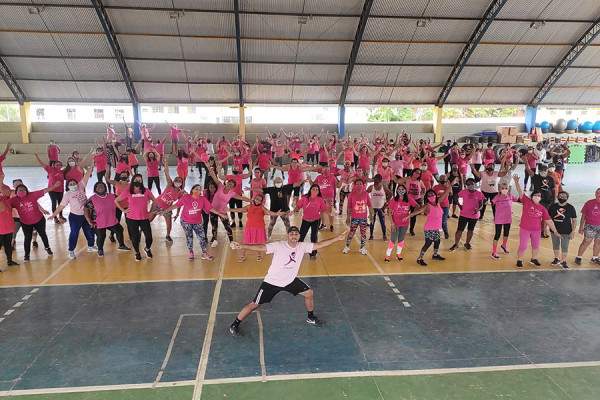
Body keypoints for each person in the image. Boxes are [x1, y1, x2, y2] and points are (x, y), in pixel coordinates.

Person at [229, 226, 348, 338]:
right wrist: (243, 246)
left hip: (290, 280)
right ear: (288, 236)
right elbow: (261, 247)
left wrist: (337, 238)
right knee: (255, 304)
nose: (294, 236)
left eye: (296, 234)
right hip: (272, 282)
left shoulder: (302, 246)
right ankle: (235, 324)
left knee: (309, 293)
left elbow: (320, 244)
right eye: (291, 234)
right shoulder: (279, 245)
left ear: (299, 236)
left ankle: (310, 317)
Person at [160, 184, 224, 261]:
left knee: (202, 238)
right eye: (196, 189)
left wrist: (220, 214)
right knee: (189, 237)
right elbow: (176, 205)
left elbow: (210, 208)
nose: (198, 191)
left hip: (197, 222)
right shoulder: (186, 198)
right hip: (186, 221)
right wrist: (165, 211)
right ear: (192, 190)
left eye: (199, 190)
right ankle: (191, 252)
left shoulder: (202, 199)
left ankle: (204, 253)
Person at [48, 165, 96, 259]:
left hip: (86, 215)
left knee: (90, 231)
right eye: (70, 184)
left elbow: (86, 176)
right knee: (74, 233)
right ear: (68, 186)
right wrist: (54, 215)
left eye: (74, 183)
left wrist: (91, 167)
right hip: (75, 217)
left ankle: (91, 246)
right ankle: (71, 250)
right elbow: (61, 206)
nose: (73, 185)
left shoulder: (81, 187)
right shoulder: (68, 195)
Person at [515, 174, 560, 268]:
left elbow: (549, 221)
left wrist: (555, 231)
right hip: (525, 229)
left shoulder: (542, 208)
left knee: (536, 245)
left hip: (536, 230)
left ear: (541, 198)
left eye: (539, 195)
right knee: (523, 245)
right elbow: (520, 192)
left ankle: (534, 259)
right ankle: (519, 260)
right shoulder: (527, 201)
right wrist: (516, 182)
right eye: (535, 195)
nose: (537, 196)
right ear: (531, 196)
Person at [8, 180, 59, 262]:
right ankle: (27, 255)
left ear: (26, 191)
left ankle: (47, 248)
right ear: (16, 192)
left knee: (43, 234)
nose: (21, 191)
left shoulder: (32, 195)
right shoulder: (14, 200)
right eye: (19, 190)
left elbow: (44, 190)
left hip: (39, 220)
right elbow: (4, 204)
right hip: (26, 223)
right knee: (27, 238)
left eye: (23, 190)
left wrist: (53, 187)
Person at [228, 193, 286, 262]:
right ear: (254, 199)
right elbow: (240, 210)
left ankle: (258, 254)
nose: (258, 201)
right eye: (257, 199)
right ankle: (242, 255)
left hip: (259, 228)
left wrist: (276, 214)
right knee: (246, 242)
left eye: (260, 200)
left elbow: (268, 212)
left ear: (261, 202)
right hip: (249, 228)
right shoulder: (249, 206)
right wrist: (229, 210)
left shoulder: (262, 208)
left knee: (258, 242)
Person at [405, 182, 452, 266]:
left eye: (432, 194)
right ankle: (420, 258)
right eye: (429, 195)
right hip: (429, 228)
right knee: (428, 243)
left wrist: (452, 184)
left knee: (437, 241)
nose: (431, 196)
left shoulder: (438, 203)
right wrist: (408, 216)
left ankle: (435, 255)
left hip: (437, 228)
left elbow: (445, 193)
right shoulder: (427, 206)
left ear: (435, 195)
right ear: (427, 198)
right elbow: (417, 211)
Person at [115, 174, 156, 261]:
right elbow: (116, 200)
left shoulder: (146, 191)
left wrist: (151, 211)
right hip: (132, 218)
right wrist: (123, 210)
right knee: (135, 237)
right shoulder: (128, 192)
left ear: (142, 181)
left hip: (144, 217)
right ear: (133, 181)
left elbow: (154, 200)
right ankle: (137, 252)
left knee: (149, 236)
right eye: (136, 180)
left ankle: (147, 249)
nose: (138, 182)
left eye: (140, 180)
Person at [85, 182, 131, 257]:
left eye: (102, 186)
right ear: (95, 188)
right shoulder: (92, 199)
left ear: (105, 188)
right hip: (98, 221)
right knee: (101, 236)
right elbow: (86, 209)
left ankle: (121, 245)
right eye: (98, 186)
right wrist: (89, 221)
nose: (100, 188)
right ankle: (100, 250)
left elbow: (120, 200)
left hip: (110, 220)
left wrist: (124, 209)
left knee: (119, 230)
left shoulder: (112, 196)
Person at [149, 159, 184, 243]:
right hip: (157, 204)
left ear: (182, 183)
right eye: (176, 180)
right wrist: (166, 162)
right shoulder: (169, 185)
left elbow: (179, 204)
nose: (177, 182)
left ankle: (167, 236)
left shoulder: (180, 193)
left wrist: (177, 214)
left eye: (180, 181)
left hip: (167, 209)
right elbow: (166, 173)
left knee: (169, 224)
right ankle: (139, 232)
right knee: (149, 220)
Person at [293, 184, 327, 260]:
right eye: (313, 189)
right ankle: (297, 251)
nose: (315, 191)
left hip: (316, 220)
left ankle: (313, 253)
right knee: (301, 236)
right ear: (310, 190)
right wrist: (293, 211)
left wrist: (331, 213)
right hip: (306, 220)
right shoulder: (305, 198)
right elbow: (298, 206)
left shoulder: (319, 199)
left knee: (313, 237)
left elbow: (324, 209)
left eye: (317, 190)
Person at [449, 178, 485, 252]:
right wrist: (459, 205)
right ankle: (456, 244)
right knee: (459, 230)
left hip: (474, 215)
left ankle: (467, 243)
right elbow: (456, 197)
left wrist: (477, 210)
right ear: (466, 185)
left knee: (470, 230)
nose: (470, 186)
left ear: (474, 184)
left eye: (471, 184)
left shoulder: (479, 194)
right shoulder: (463, 192)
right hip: (464, 214)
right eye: (468, 184)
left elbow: (481, 205)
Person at [523, 160, 555, 237]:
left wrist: (553, 201)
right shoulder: (536, 177)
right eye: (542, 170)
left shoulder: (551, 179)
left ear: (547, 171)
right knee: (534, 216)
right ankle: (533, 231)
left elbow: (553, 191)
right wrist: (525, 161)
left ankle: (543, 231)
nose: (543, 171)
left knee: (545, 217)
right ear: (539, 171)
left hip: (547, 200)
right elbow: (528, 169)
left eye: (545, 170)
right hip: (537, 200)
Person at [342, 179, 373, 255]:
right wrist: (348, 218)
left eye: (360, 184)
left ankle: (362, 248)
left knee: (363, 234)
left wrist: (371, 216)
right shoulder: (351, 195)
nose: (359, 185)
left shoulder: (366, 194)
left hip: (363, 218)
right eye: (357, 184)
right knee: (351, 232)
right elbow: (349, 207)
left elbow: (370, 206)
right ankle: (347, 246)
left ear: (363, 185)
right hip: (354, 218)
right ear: (354, 185)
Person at [385, 184, 415, 262]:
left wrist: (411, 214)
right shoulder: (394, 200)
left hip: (405, 223)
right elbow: (390, 212)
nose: (401, 191)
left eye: (402, 189)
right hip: (395, 223)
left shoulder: (409, 199)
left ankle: (398, 254)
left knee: (401, 239)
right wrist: (392, 223)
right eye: (399, 189)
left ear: (405, 190)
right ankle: (388, 255)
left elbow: (417, 206)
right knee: (393, 239)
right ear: (397, 190)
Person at [490, 181, 519, 260]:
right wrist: (489, 203)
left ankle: (504, 245)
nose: (504, 190)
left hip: (508, 218)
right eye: (502, 188)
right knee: (497, 235)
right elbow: (492, 202)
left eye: (506, 188)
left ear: (508, 189)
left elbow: (518, 199)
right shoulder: (497, 197)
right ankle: (494, 252)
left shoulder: (510, 196)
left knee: (506, 234)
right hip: (499, 219)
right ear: (499, 190)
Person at [34, 153, 66, 224]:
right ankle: (55, 217)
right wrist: (37, 157)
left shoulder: (63, 172)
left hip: (60, 190)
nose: (58, 165)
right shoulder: (50, 169)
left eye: (60, 164)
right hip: (52, 190)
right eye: (57, 164)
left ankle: (61, 215)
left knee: (60, 203)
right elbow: (42, 164)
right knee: (54, 203)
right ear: (54, 165)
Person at [548, 191, 577, 269]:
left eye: (564, 197)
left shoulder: (570, 207)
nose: (562, 198)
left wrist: (572, 231)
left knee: (565, 247)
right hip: (554, 230)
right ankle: (556, 258)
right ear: (558, 197)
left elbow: (574, 220)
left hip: (566, 231)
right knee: (555, 245)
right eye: (560, 196)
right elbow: (548, 218)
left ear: (567, 198)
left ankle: (563, 261)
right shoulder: (553, 207)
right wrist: (546, 228)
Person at [575, 188, 600, 266]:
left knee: (598, 242)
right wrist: (581, 227)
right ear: (595, 193)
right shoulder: (589, 203)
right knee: (586, 241)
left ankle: (595, 258)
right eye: (598, 193)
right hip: (590, 226)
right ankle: (578, 257)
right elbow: (583, 216)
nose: (599, 195)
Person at [0, 177, 18, 268]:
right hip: (1, 231)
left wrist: (1, 180)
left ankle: (10, 261)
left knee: (8, 247)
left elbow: (6, 192)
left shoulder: (6, 202)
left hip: (8, 229)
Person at [367, 174, 391, 241]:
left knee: (382, 222)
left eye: (376, 180)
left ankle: (384, 235)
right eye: (374, 180)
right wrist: (368, 203)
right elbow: (365, 194)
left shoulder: (383, 187)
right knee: (372, 222)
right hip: (373, 208)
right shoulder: (371, 187)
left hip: (381, 208)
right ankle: (371, 235)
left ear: (380, 180)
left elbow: (390, 194)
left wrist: (386, 203)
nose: (375, 181)